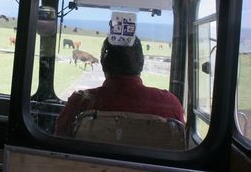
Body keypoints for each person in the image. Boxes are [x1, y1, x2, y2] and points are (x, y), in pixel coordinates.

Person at [54, 36, 185, 137]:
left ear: (104, 64)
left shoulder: (80, 102)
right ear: (141, 63)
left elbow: (59, 146)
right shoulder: (170, 104)